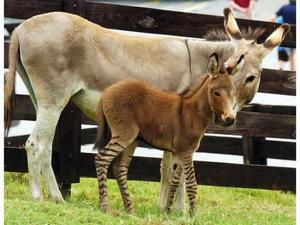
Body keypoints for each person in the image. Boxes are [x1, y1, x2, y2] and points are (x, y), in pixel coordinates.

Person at [271, 0, 296, 71]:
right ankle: (293, 72)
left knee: (284, 49)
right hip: (296, 38)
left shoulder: (284, 8)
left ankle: (280, 68)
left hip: (285, 36)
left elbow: (272, 18)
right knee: (293, 53)